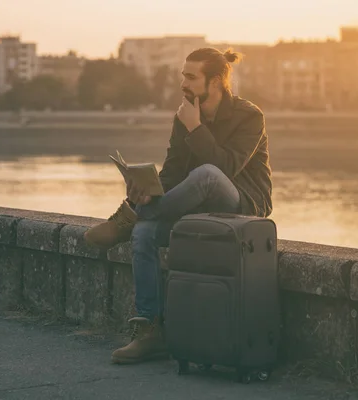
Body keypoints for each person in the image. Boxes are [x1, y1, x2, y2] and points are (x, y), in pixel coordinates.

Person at [84, 47, 273, 364]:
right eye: (182, 75)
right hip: (199, 206)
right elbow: (171, 173)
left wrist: (196, 128)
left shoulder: (249, 116)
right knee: (144, 233)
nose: (183, 83)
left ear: (215, 82)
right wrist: (146, 191)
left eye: (191, 76)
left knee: (208, 175)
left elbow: (227, 168)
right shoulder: (184, 116)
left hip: (243, 205)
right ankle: (151, 331)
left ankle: (126, 217)